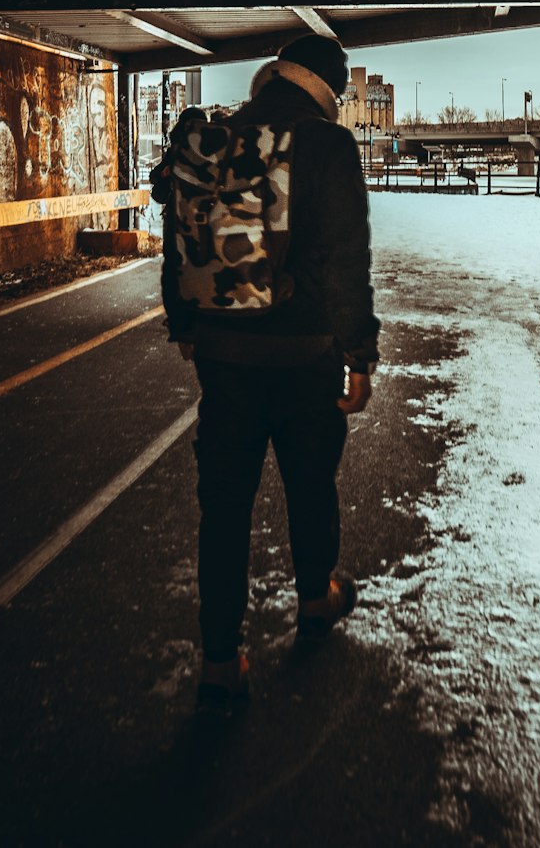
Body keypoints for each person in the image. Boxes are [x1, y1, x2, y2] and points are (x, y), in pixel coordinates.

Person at [158, 34, 380, 712]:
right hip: (304, 353)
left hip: (225, 358)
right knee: (310, 482)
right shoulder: (326, 144)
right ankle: (316, 598)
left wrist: (186, 323)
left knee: (223, 508)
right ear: (326, 89)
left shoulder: (219, 136)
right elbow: (346, 262)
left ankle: (222, 661)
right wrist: (359, 353)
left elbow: (179, 230)